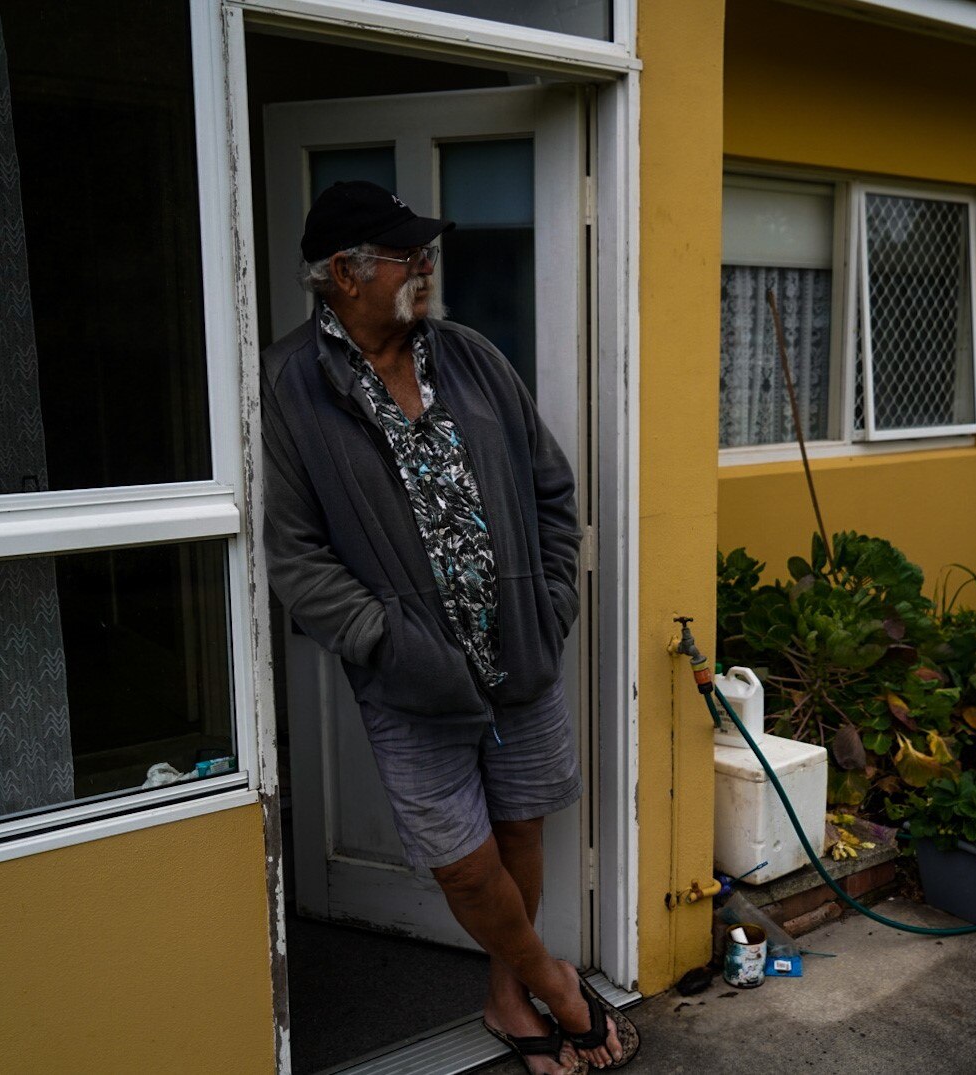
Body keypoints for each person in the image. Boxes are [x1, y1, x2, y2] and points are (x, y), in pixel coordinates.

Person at [262, 181, 637, 1075]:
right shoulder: (290, 386)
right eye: (406, 253)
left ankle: (508, 998)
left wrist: (551, 602)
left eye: (424, 250)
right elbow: (294, 554)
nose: (424, 265)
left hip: (521, 654)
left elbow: (552, 488)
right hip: (412, 680)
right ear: (345, 275)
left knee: (520, 832)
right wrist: (385, 641)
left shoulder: (469, 357)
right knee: (465, 866)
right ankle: (553, 981)